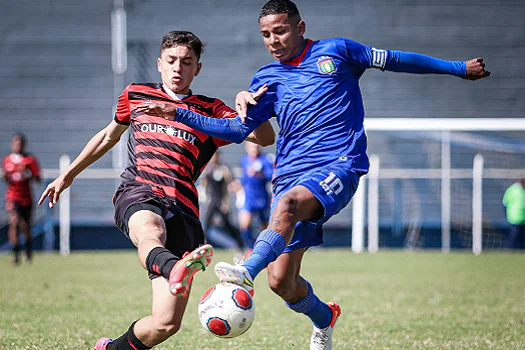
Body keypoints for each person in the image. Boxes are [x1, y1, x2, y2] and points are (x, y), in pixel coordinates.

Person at [137, 1, 491, 348]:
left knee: (287, 208)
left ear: (300, 27)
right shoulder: (266, 78)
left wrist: (457, 67)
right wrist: (179, 113)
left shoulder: (338, 52)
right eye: (265, 34)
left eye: (280, 30)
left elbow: (396, 59)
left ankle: (245, 270)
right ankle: (325, 319)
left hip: (339, 166)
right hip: (290, 177)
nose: (273, 39)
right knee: (281, 282)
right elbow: (236, 130)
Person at [38, 31, 274, 350]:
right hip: (140, 189)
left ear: (197, 69)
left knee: (165, 324)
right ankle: (172, 266)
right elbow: (108, 136)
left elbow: (263, 138)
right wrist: (68, 174)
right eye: (172, 61)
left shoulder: (210, 109)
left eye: (187, 62)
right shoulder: (135, 95)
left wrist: (252, 107)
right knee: (151, 230)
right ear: (160, 64)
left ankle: (109, 349)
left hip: (184, 209)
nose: (178, 68)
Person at [3, 133, 41, 265]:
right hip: (13, 196)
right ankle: (15, 254)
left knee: (25, 227)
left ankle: (28, 251)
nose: (17, 146)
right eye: (15, 144)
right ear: (12, 145)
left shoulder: (30, 160)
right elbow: (7, 179)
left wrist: (27, 174)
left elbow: (38, 178)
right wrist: (5, 176)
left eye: (20, 144)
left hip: (26, 198)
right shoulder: (7, 160)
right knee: (14, 222)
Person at [200, 151, 245, 250]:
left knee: (227, 224)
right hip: (211, 201)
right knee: (206, 224)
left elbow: (229, 184)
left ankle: (240, 245)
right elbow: (204, 183)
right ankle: (201, 246)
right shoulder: (209, 169)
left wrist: (227, 202)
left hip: (221, 201)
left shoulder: (224, 169)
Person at [236, 142, 273, 249]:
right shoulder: (244, 160)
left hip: (262, 197)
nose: (254, 149)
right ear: (247, 148)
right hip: (248, 197)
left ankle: (264, 249)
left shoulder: (265, 159)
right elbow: (244, 177)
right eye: (252, 147)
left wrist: (260, 174)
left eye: (256, 147)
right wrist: (237, 183)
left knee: (265, 227)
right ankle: (250, 248)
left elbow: (270, 175)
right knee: (245, 224)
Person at [502, 179, 525, 249]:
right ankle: (510, 249)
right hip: (515, 218)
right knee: (514, 235)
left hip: (522, 218)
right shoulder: (512, 190)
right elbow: (505, 204)